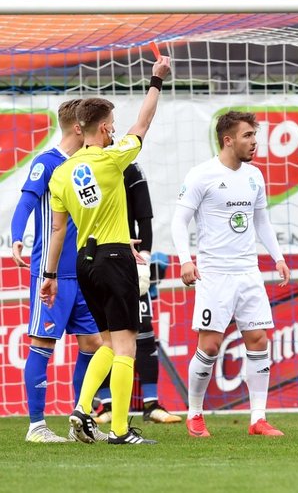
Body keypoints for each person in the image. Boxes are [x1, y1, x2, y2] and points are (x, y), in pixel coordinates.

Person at [40, 57, 172, 446]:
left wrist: (48, 277)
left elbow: (59, 228)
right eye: (112, 125)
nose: (115, 130)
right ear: (102, 128)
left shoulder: (61, 173)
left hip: (84, 263)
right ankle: (119, 430)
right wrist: (156, 81)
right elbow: (143, 124)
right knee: (127, 343)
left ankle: (82, 410)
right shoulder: (112, 157)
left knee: (107, 342)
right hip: (115, 258)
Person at [172, 110, 291, 438]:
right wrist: (185, 260)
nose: (254, 142)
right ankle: (194, 415)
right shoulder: (202, 175)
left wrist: (278, 258)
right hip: (215, 274)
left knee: (258, 340)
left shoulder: (254, 176)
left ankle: (258, 418)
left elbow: (261, 221)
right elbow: (178, 221)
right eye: (248, 136)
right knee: (210, 346)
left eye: (255, 135)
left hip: (248, 273)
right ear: (228, 140)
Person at [10, 99, 104, 443]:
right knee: (43, 343)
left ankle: (81, 421)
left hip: (85, 274)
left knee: (94, 343)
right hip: (52, 275)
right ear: (78, 128)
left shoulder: (87, 165)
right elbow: (26, 202)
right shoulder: (47, 163)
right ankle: (36, 426)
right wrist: (17, 237)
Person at [94, 162, 181, 425]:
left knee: (142, 331)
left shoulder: (130, 169)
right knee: (101, 337)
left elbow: (144, 217)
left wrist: (143, 257)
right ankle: (105, 405)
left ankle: (151, 405)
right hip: (94, 260)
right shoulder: (82, 167)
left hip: (128, 259)